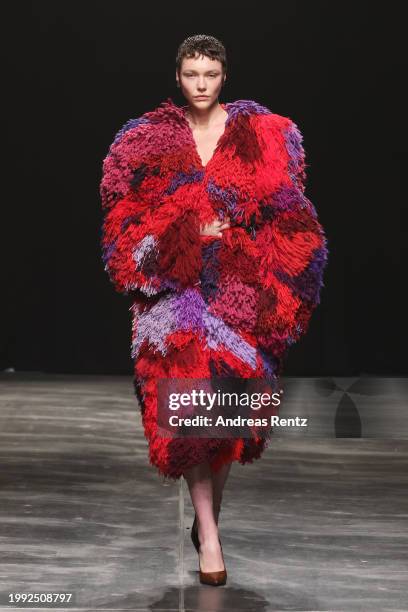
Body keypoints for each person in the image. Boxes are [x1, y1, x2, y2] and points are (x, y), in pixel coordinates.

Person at [100, 34, 328, 586]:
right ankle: (212, 540)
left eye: (210, 74)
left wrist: (262, 268)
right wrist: (184, 233)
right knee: (188, 416)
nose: (201, 85)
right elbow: (120, 227)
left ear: (224, 75)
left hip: (239, 295)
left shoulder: (265, 136)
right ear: (177, 77)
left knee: (226, 420)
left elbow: (292, 218)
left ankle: (209, 526)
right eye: (191, 75)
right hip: (172, 302)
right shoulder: (145, 141)